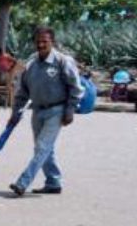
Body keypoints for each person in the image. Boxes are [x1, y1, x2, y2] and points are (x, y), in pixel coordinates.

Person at [9, 26, 82, 197]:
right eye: (38, 41)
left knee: (42, 147)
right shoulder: (31, 63)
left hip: (57, 110)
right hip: (37, 111)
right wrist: (15, 113)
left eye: (45, 41)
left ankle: (23, 182)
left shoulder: (63, 61)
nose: (41, 45)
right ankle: (53, 182)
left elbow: (76, 87)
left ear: (52, 42)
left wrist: (70, 109)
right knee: (44, 148)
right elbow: (22, 91)